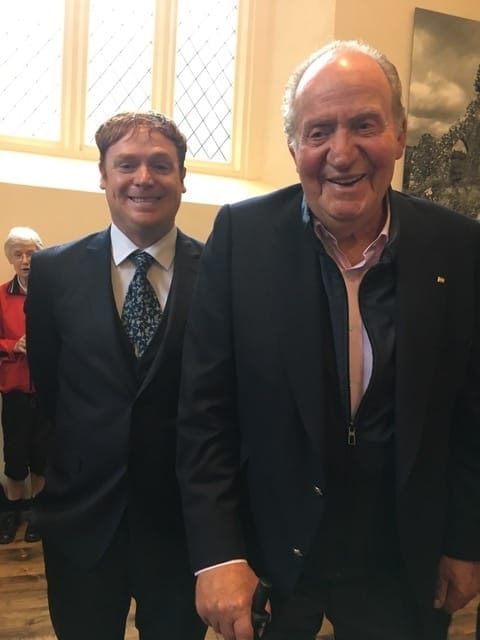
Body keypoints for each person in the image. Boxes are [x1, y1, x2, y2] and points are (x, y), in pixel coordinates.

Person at [176, 40, 480, 640]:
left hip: (402, 559)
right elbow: (204, 415)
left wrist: (466, 539)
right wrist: (217, 554)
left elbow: (472, 413)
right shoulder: (241, 238)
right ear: (294, 147)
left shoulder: (459, 246)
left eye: (364, 124)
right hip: (270, 557)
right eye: (318, 132)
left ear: (400, 133)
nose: (342, 153)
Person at [25, 112, 206, 640]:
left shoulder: (220, 271)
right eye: (126, 164)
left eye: (160, 165)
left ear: (182, 178)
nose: (143, 178)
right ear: (103, 176)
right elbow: (50, 388)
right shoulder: (54, 272)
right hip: (81, 519)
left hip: (182, 526)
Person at [0, 226, 47, 544]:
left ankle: (38, 515)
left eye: (31, 253)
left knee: (42, 458)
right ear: (10, 259)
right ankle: (10, 513)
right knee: (15, 459)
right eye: (19, 254)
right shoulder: (1, 295)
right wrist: (12, 345)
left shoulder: (51, 293)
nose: (25, 260)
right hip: (15, 389)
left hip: (46, 390)